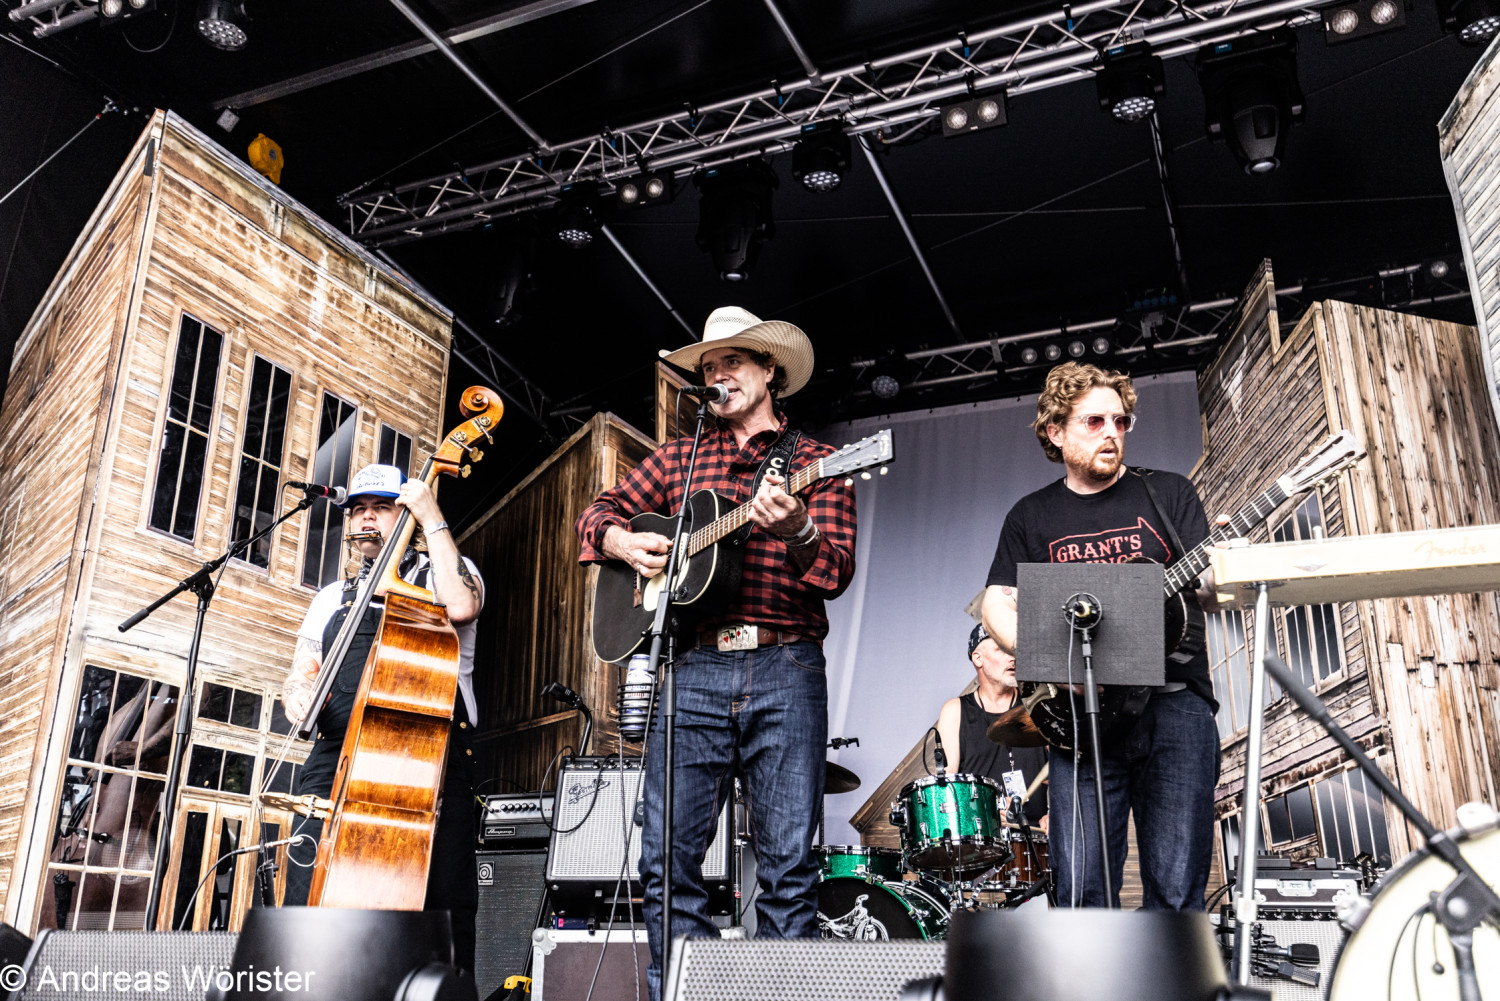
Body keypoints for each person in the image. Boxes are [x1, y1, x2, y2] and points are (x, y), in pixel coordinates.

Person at [575, 306, 858, 1000]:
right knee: (667, 857)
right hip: (693, 665)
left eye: (732, 360)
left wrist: (797, 529)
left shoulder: (820, 464)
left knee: (789, 865)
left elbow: (838, 569)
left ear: (770, 372)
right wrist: (619, 542)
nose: (718, 373)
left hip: (785, 666)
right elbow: (596, 514)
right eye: (708, 366)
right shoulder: (679, 458)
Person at [980, 361, 1221, 910]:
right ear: (1055, 431)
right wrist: (1052, 660)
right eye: (1093, 421)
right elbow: (998, 600)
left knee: (1177, 888)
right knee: (1081, 890)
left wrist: (1220, 571)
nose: (1112, 432)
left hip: (1174, 705)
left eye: (1120, 420)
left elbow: (1204, 590)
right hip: (1080, 717)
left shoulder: (1168, 493)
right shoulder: (1031, 515)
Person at [278, 463, 485, 972]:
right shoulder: (330, 597)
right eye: (359, 511)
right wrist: (297, 694)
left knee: (440, 898)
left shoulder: (446, 569)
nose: (366, 520)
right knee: (310, 880)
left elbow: (459, 604)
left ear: (406, 513)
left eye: (381, 509)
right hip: (339, 754)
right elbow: (302, 671)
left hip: (428, 750)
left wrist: (431, 515)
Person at [935, 623, 1049, 830]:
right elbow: (946, 789)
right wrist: (988, 808)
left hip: (1036, 837)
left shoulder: (1039, 704)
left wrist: (1056, 814)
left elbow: (1063, 772)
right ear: (978, 658)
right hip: (981, 840)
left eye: (1014, 650)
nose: (1013, 657)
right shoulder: (955, 711)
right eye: (1002, 650)